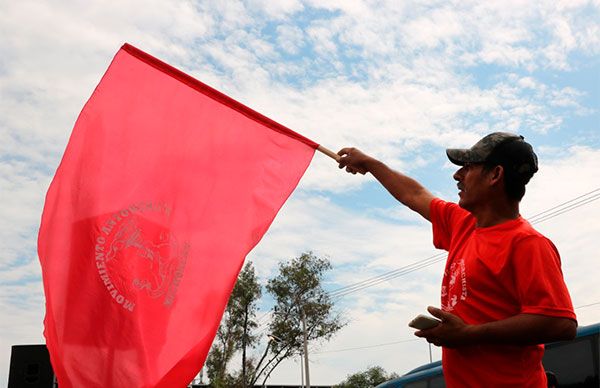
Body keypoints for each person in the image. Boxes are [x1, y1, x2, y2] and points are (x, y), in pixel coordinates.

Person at [337, 132, 577, 387]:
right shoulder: (463, 224)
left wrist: (468, 334)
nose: (457, 175)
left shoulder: (527, 243)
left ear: (495, 175)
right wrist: (371, 164)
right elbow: (415, 195)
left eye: (469, 167)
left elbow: (560, 323)